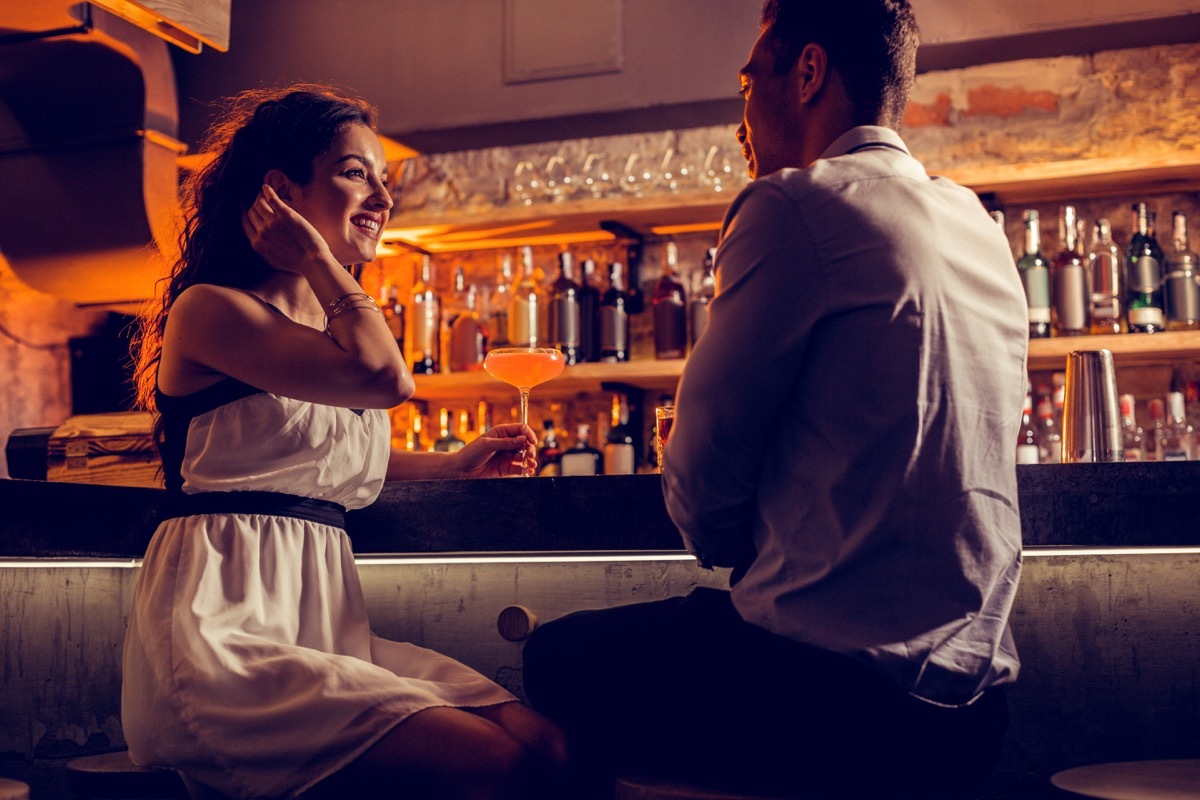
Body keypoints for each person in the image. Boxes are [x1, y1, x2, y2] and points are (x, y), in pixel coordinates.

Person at [521, 2, 1027, 798]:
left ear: (809, 72)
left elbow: (701, 494)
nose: (741, 120)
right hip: (970, 713)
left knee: (552, 659)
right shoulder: (977, 225)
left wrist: (727, 518)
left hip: (827, 702)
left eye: (747, 84)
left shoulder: (794, 205)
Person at [121, 85, 567, 800]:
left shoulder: (326, 331)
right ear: (281, 191)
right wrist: (317, 260)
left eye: (385, 180)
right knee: (496, 763)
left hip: (326, 629)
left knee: (551, 748)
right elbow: (387, 379)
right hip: (224, 635)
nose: (383, 198)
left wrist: (451, 465)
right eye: (357, 173)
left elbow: (313, 454)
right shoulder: (211, 311)